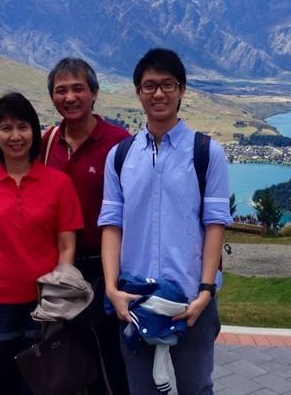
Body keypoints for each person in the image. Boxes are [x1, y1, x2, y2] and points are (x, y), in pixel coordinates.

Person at [99, 48, 232, 394]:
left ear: (182, 90)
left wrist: (205, 291)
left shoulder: (207, 153)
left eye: (167, 85)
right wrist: (113, 290)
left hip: (191, 298)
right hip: (135, 299)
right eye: (149, 86)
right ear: (138, 92)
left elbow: (215, 224)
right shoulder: (120, 156)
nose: (158, 93)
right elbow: (112, 225)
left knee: (196, 387)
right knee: (140, 389)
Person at [0, 92, 83, 394]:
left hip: (43, 305)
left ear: (34, 132)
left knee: (42, 384)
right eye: (6, 128)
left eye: (23, 127)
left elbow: (67, 245)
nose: (15, 136)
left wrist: (60, 294)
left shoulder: (59, 184)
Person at [41, 57, 130, 394]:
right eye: (61, 90)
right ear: (52, 98)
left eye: (78, 88)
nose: (70, 97)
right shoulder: (46, 143)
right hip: (60, 270)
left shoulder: (120, 143)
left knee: (112, 362)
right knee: (69, 362)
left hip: (106, 269)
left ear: (94, 93)